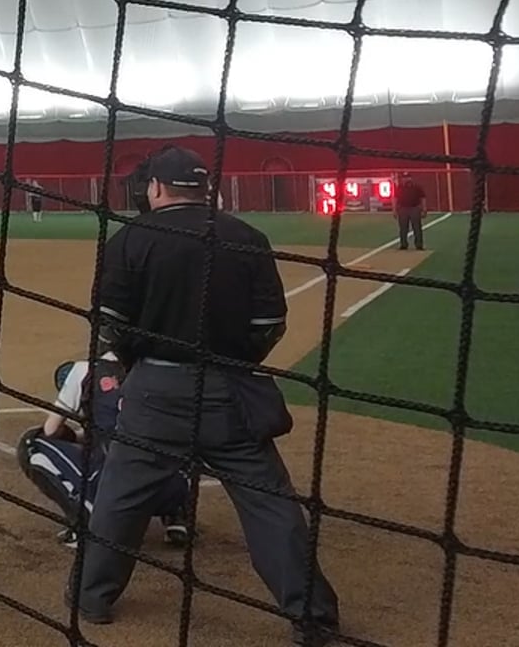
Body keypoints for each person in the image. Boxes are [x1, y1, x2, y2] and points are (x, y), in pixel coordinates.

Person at [69, 146, 340, 645]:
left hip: (154, 391)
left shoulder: (131, 238)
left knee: (120, 497)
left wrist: (135, 360)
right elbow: (270, 324)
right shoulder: (246, 237)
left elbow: (108, 326)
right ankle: (312, 616)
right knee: (270, 506)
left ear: (155, 188)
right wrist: (235, 361)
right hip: (229, 392)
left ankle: (92, 596)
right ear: (204, 188)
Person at [17, 351, 192, 548]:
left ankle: (89, 524)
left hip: (119, 490)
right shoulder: (157, 367)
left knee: (32, 443)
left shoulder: (84, 370)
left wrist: (74, 435)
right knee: (177, 431)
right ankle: (179, 514)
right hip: (167, 487)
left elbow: (51, 430)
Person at [394, 173, 426, 251]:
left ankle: (419, 245)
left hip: (414, 208)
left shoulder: (417, 187)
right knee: (403, 228)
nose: (406, 179)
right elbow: (395, 198)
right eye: (404, 178)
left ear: (411, 178)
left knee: (417, 228)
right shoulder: (399, 188)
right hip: (403, 209)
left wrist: (424, 208)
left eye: (408, 177)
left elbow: (423, 198)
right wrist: (394, 209)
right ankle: (403, 244)